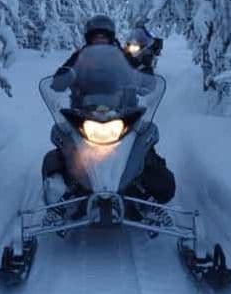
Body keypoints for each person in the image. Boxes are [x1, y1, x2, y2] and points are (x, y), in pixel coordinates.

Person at [42, 15, 175, 221]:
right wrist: (63, 77)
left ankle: (142, 194)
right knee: (64, 142)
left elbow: (143, 76)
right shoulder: (79, 57)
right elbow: (59, 80)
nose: (100, 40)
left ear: (111, 37)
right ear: (89, 38)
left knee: (145, 141)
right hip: (84, 115)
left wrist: (145, 75)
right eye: (96, 37)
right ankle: (71, 191)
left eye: (104, 37)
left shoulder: (123, 56)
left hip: (123, 114)